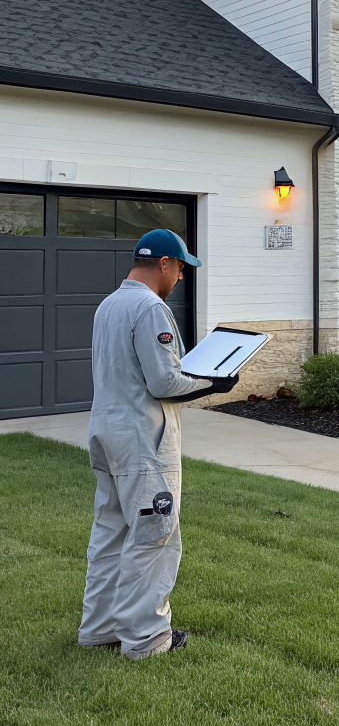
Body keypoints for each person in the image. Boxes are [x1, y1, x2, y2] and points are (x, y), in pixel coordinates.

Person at [78, 229, 236, 658]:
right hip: (144, 442)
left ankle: (99, 628)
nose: (182, 276)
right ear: (163, 264)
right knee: (154, 536)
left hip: (106, 435)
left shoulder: (109, 304)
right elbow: (164, 381)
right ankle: (146, 638)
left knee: (111, 534)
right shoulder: (151, 307)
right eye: (181, 267)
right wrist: (214, 384)